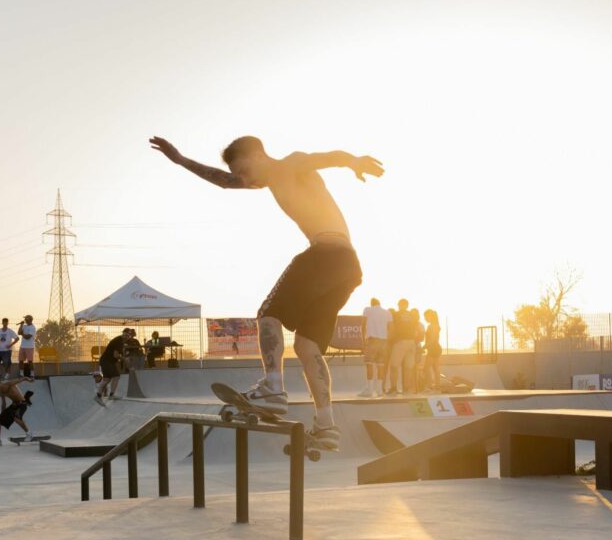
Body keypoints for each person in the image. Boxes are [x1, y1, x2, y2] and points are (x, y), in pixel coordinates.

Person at [150, 135, 382, 452]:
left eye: (244, 170)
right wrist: (181, 160)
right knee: (306, 344)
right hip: (347, 267)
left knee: (267, 315)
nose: (243, 180)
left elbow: (323, 156)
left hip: (324, 254)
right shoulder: (268, 181)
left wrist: (353, 160)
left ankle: (273, 388)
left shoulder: (291, 163)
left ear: (258, 155)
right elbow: (224, 181)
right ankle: (326, 423)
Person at [0, 376, 35, 447]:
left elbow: (22, 379)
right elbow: (3, 403)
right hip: (14, 405)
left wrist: (30, 380)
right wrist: (2, 414)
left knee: (16, 418)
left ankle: (29, 433)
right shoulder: (1, 393)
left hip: (22, 404)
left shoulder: (9, 384)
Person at [358, 298, 392, 398]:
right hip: (383, 341)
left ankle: (370, 389)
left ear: (372, 303)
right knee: (380, 365)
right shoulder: (387, 313)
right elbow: (391, 328)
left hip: (372, 340)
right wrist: (387, 340)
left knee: (369, 364)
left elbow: (363, 326)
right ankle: (379, 390)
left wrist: (363, 341)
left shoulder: (367, 309)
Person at [387, 299, 416, 395]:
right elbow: (416, 329)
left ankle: (394, 388)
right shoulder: (412, 315)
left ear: (399, 305)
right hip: (412, 342)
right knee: (408, 367)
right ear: (407, 305)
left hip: (400, 341)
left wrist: (390, 340)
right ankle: (407, 389)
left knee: (394, 366)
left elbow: (392, 328)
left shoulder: (396, 314)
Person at [95, 328, 131, 404]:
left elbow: (116, 354)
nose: (126, 337)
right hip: (106, 361)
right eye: (125, 335)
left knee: (107, 379)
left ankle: (98, 396)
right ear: (123, 334)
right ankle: (111, 395)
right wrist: (124, 359)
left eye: (128, 336)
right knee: (116, 376)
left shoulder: (121, 342)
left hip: (106, 361)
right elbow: (115, 355)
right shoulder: (119, 341)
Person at [423, 309, 442, 393]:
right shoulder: (435, 325)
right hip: (436, 348)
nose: (425, 318)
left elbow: (433, 339)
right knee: (436, 369)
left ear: (430, 316)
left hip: (433, 348)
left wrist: (425, 346)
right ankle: (437, 387)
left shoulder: (432, 326)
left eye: (426, 316)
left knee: (426, 368)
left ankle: (429, 387)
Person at [411, 309, 425, 393]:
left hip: (417, 347)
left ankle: (417, 388)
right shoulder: (408, 324)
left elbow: (422, 338)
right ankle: (413, 387)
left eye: (414, 314)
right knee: (410, 368)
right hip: (410, 348)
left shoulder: (420, 325)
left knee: (416, 368)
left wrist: (414, 339)